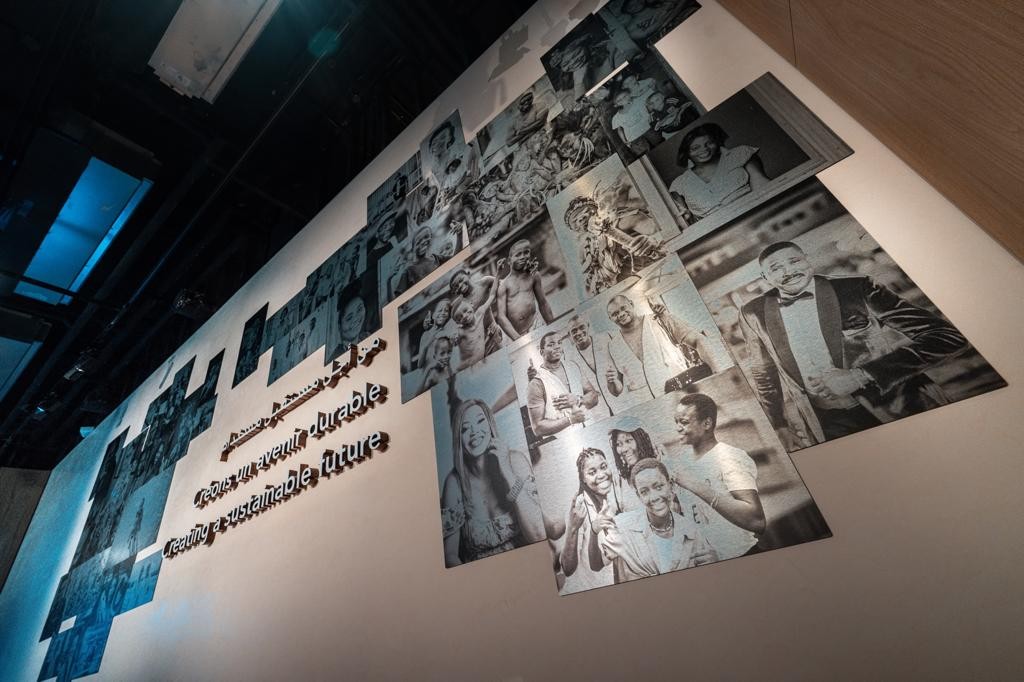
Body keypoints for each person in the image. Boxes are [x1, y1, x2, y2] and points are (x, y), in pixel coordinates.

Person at [740, 241, 968, 446]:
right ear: (765, 277)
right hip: (829, 426)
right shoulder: (752, 313)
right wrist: (778, 424)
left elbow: (947, 336)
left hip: (900, 406)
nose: (788, 271)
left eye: (794, 261)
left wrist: (861, 375)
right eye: (776, 268)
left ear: (807, 260)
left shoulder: (858, 287)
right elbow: (763, 372)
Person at [440, 399, 545, 566]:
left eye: (480, 421)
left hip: (528, 566)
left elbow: (538, 535)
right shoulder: (454, 482)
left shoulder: (516, 461)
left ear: (490, 425)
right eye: (465, 428)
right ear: (458, 438)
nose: (474, 432)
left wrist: (507, 470)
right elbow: (450, 555)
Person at [664, 393, 765, 559]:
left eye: (684, 422)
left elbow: (757, 521)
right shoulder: (682, 463)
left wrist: (693, 485)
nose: (678, 428)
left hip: (744, 557)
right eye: (676, 422)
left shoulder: (729, 457)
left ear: (707, 423)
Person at [600, 458, 718, 582]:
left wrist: (714, 564)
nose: (654, 497)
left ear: (670, 485)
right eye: (644, 492)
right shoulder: (623, 526)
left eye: (659, 487)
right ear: (639, 496)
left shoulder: (691, 531)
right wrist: (594, 530)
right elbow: (598, 563)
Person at [604, 294, 718, 406]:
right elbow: (617, 390)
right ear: (610, 319)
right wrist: (611, 382)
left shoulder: (659, 320)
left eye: (623, 308)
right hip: (651, 406)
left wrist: (716, 372)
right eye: (615, 314)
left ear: (631, 304)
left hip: (683, 395)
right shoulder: (613, 346)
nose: (621, 314)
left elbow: (698, 340)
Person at [563, 195, 663, 297]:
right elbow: (590, 285)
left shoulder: (623, 219)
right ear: (577, 230)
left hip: (651, 279)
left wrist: (653, 240)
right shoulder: (586, 250)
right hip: (622, 295)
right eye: (575, 222)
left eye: (585, 212)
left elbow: (662, 230)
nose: (581, 220)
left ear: (596, 209)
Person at [668, 123, 770, 222]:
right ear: (687, 153)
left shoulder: (739, 154)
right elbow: (684, 218)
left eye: (709, 143)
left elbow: (762, 183)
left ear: (717, 143)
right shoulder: (679, 184)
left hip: (757, 215)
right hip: (715, 229)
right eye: (695, 148)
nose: (704, 149)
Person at [559, 448, 623, 591]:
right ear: (583, 479)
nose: (601, 475)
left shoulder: (615, 498)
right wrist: (573, 528)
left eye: (603, 467)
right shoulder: (579, 507)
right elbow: (567, 568)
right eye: (592, 472)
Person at [526, 331, 600, 437]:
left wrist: (578, 399)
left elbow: (594, 397)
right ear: (542, 352)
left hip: (591, 430)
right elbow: (537, 428)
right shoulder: (536, 383)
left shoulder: (572, 366)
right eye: (551, 344)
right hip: (567, 440)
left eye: (559, 343)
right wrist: (571, 419)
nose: (557, 347)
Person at [496, 239, 555, 340]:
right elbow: (501, 317)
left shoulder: (534, 276)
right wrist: (517, 338)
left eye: (526, 252)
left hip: (535, 324)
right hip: (514, 333)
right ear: (509, 261)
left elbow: (543, 303)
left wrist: (553, 326)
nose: (523, 256)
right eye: (518, 254)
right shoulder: (504, 285)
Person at [563, 315, 614, 418]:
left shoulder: (605, 338)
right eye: (574, 331)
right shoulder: (569, 359)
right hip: (598, 409)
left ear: (588, 326)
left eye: (582, 327)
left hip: (618, 397)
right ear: (569, 335)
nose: (579, 333)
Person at [451, 296, 503, 370]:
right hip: (473, 365)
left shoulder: (480, 313)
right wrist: (454, 338)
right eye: (460, 318)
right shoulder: (462, 331)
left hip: (487, 352)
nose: (464, 316)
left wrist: (491, 334)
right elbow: (455, 335)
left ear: (471, 304)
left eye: (465, 310)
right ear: (458, 322)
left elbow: (491, 296)